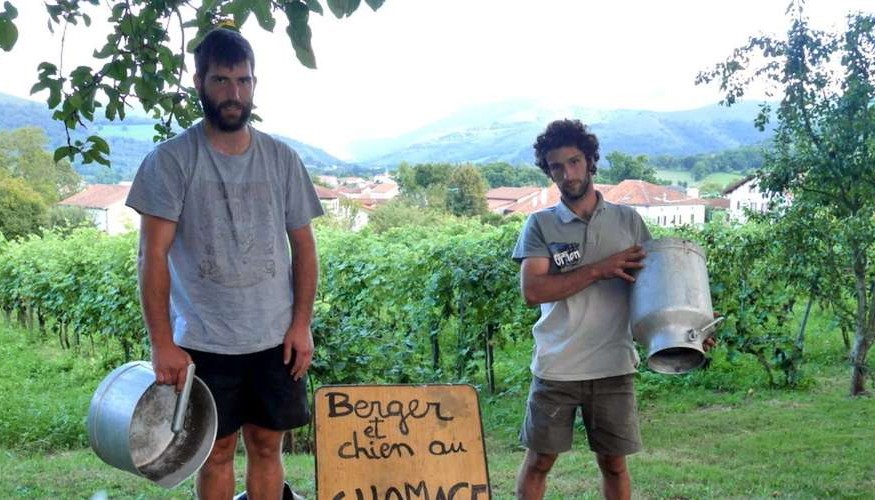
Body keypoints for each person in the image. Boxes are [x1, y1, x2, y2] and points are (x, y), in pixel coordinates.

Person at [126, 27, 323, 500]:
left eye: (243, 81)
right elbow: (151, 256)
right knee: (214, 452)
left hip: (275, 340)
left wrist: (301, 325)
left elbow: (305, 248)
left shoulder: (282, 159)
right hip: (203, 342)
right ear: (199, 82)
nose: (234, 94)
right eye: (221, 80)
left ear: (254, 84)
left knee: (267, 446)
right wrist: (162, 343)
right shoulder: (171, 161)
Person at [512, 119, 715, 500]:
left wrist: (689, 330)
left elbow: (658, 285)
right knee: (539, 462)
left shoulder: (628, 221)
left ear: (591, 161)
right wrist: (599, 269)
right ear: (549, 172)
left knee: (614, 465)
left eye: (574, 162)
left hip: (613, 366)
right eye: (557, 167)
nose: (568, 174)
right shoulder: (540, 224)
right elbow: (533, 291)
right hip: (557, 366)